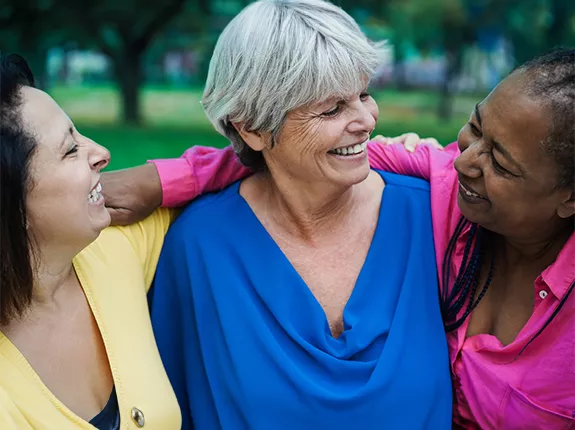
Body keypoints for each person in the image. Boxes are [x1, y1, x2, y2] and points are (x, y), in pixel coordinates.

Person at [104, 49, 575, 428]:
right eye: (474, 128)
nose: (465, 160)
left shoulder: (439, 208)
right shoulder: (448, 193)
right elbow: (297, 155)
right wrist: (165, 179)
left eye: (502, 165)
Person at [110, 0, 453, 428]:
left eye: (364, 93)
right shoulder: (198, 246)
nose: (366, 119)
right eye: (332, 109)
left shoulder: (432, 217)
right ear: (250, 127)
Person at [0, 54, 181, 429]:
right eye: (70, 150)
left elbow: (257, 160)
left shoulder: (115, 247)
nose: (102, 153)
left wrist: (157, 180)